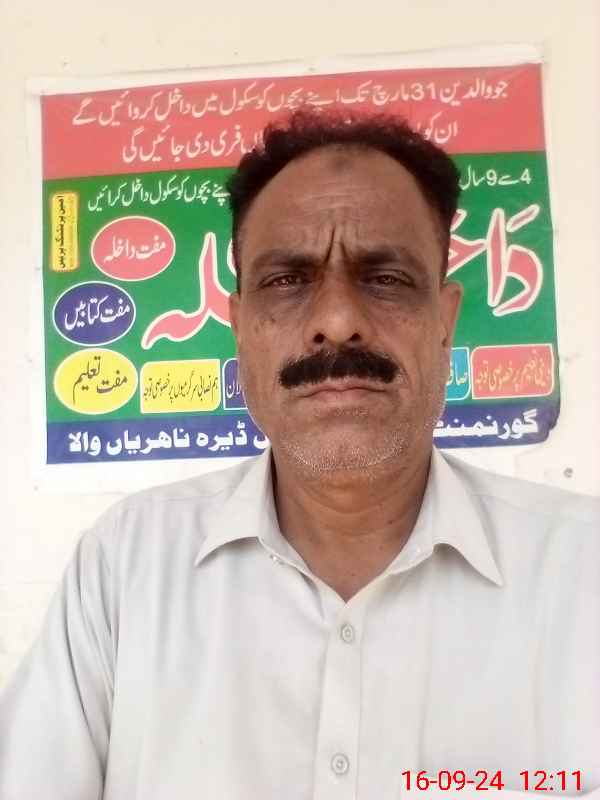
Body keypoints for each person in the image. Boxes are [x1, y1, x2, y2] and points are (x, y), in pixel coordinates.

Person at [1, 110, 598, 800]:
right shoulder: (126, 569)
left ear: (445, 319)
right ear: (239, 327)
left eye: (386, 278)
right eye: (287, 280)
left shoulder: (582, 570)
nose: (337, 322)